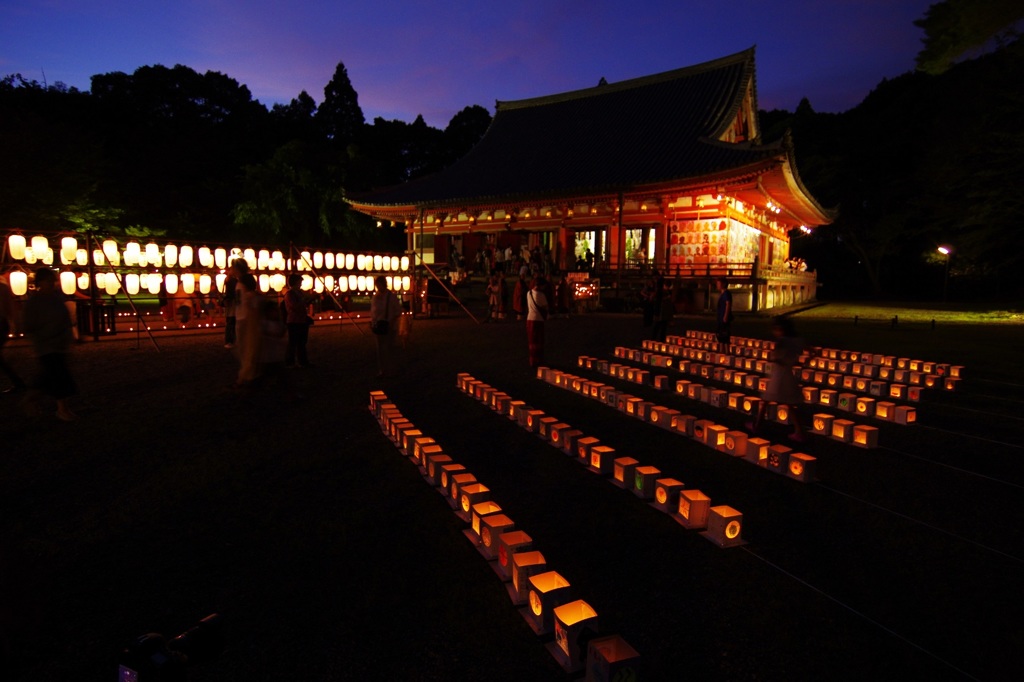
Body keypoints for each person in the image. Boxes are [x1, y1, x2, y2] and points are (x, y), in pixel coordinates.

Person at [21, 267, 77, 421]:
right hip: (46, 345)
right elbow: (28, 325)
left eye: (53, 280)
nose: (52, 283)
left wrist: (70, 335)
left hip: (59, 344)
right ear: (40, 282)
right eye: (48, 280)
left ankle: (30, 399)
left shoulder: (56, 298)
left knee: (48, 377)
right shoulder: (34, 302)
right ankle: (62, 409)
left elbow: (65, 318)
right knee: (58, 376)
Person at [747, 316, 806, 441]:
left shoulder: (782, 342)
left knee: (766, 400)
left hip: (779, 375)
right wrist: (800, 363)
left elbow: (776, 358)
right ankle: (799, 431)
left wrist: (775, 358)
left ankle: (757, 426)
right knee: (789, 403)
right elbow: (813, 352)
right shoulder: (796, 341)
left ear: (780, 329)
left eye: (775, 329)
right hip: (788, 375)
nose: (774, 332)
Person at [232, 270, 263, 389]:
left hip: (251, 327)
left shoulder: (250, 297)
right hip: (257, 328)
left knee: (249, 353)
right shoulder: (255, 296)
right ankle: (250, 377)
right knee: (253, 353)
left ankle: (243, 380)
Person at [0, 274, 27, 393]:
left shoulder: (3, 287)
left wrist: (15, 325)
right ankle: (18, 382)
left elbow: (10, 308)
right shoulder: (3, 287)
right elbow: (11, 308)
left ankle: (18, 382)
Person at [370, 275, 401, 377]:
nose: (378, 287)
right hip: (378, 325)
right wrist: (372, 322)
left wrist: (391, 321)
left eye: (379, 285)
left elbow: (398, 311)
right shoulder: (375, 296)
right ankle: (382, 369)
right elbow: (373, 312)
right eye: (377, 285)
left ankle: (391, 369)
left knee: (389, 348)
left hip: (389, 326)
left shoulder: (391, 296)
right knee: (380, 349)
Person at [283, 274, 311, 368]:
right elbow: (294, 306)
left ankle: (302, 361)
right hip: (294, 321)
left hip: (301, 320)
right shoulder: (290, 294)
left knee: (302, 342)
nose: (301, 284)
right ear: (295, 282)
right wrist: (303, 301)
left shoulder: (300, 293)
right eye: (300, 281)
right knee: (293, 342)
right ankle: (290, 362)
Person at [526, 276, 549, 367]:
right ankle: (539, 360)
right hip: (538, 319)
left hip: (529, 318)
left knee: (532, 340)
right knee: (539, 340)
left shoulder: (529, 293)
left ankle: (532, 360)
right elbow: (546, 307)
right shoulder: (541, 295)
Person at [715, 277, 732, 348]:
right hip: (720, 317)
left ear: (723, 284)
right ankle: (722, 350)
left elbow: (728, 304)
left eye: (718, 284)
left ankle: (726, 351)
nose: (717, 285)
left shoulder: (726, 293)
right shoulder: (722, 294)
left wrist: (725, 316)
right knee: (720, 335)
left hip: (723, 317)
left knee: (724, 335)